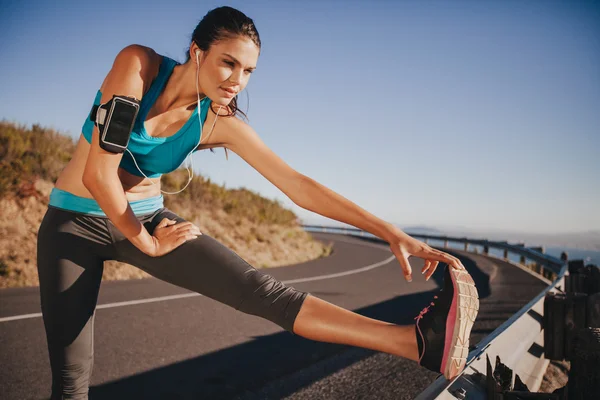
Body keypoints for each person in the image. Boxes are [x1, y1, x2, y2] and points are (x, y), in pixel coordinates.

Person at [36, 6, 479, 399]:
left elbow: (297, 184)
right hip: (72, 225)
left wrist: (389, 231)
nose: (237, 81)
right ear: (197, 51)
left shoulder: (216, 120)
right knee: (72, 380)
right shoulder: (138, 66)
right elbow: (98, 173)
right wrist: (148, 245)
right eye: (228, 63)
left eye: (248, 71)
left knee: (262, 291)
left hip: (150, 220)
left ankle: (417, 343)